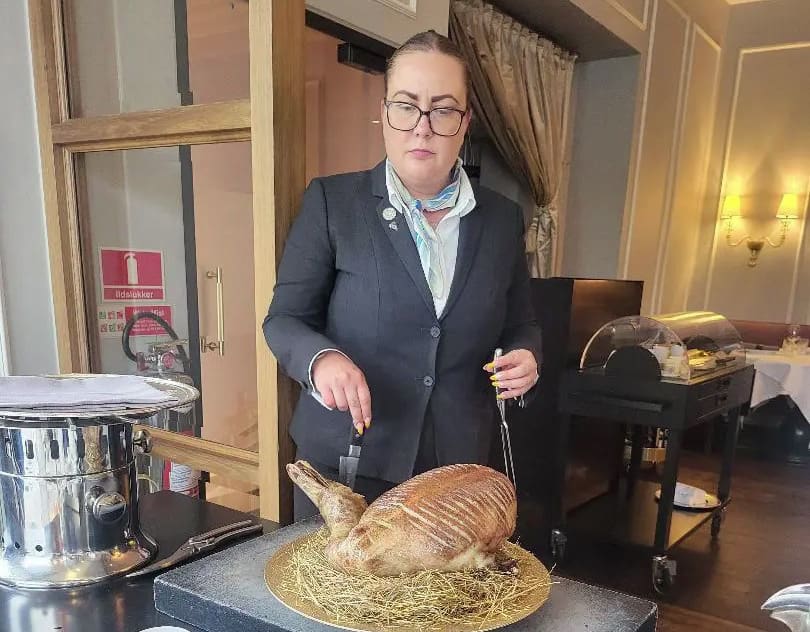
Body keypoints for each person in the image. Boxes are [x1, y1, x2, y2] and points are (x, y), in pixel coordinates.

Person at [263, 30, 541, 519]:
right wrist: (322, 359)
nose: (422, 127)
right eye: (407, 106)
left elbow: (522, 322)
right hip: (346, 464)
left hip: (454, 471)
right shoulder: (333, 203)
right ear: (385, 112)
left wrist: (526, 356)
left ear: (465, 122)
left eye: (443, 110)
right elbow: (284, 319)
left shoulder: (502, 219)